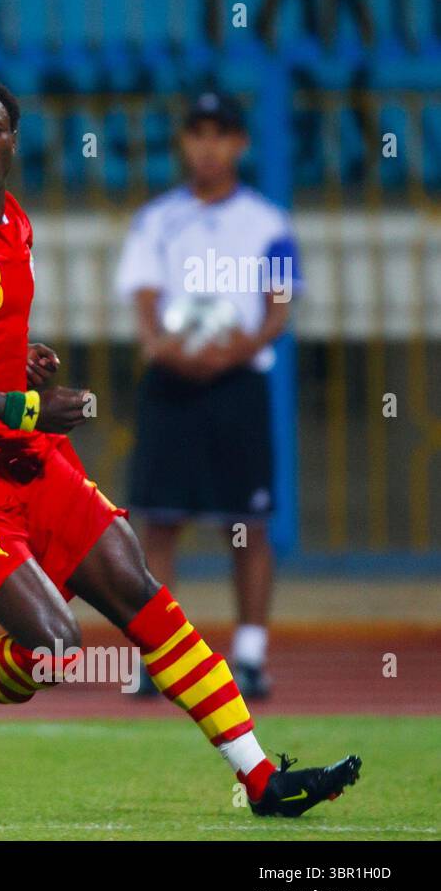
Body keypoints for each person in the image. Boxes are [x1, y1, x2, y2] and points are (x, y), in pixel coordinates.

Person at [0, 73, 358, 816]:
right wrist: (25, 404)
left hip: (25, 452)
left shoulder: (15, 221)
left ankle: (260, 777)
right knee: (55, 645)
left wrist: (22, 359)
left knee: (139, 589)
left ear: (13, 138)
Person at [115, 92, 301, 699]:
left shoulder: (267, 223)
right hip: (172, 384)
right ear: (183, 142)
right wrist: (162, 346)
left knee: (246, 523)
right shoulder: (157, 220)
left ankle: (249, 656)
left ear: (240, 144)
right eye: (197, 133)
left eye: (220, 134)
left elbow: (278, 310)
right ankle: (158, 656)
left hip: (237, 386)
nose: (208, 147)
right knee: (160, 523)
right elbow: (145, 301)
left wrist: (233, 351)